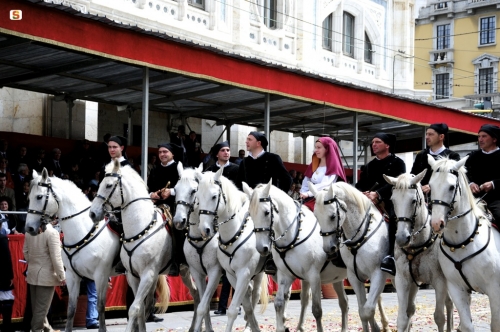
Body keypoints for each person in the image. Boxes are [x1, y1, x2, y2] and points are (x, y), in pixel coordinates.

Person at [235, 132, 293, 275]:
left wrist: (276, 199)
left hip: (268, 205)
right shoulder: (244, 162)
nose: (246, 141)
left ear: (258, 143)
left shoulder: (272, 158)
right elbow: (239, 185)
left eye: (249, 139)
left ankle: (272, 259)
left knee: (270, 227)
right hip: (250, 205)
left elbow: (287, 179)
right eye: (247, 139)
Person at [355, 132, 406, 276]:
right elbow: (361, 184)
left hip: (390, 200)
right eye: (372, 142)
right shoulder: (370, 165)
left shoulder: (398, 162)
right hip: (368, 200)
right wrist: (360, 193)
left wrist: (378, 194)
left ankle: (390, 255)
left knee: (395, 218)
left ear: (387, 145)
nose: (374, 145)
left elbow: (396, 183)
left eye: (377, 142)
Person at [205, 141, 241, 316]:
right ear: (217, 153)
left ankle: (230, 304)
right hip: (213, 216)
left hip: (232, 217)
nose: (227, 152)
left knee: (231, 266)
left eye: (228, 150)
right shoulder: (209, 170)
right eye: (223, 150)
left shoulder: (236, 168)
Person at [148, 142, 184, 279]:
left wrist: (172, 191)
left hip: (175, 206)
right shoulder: (155, 170)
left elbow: (187, 187)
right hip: (156, 206)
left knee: (176, 226)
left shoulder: (179, 168)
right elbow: (149, 188)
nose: (162, 154)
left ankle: (177, 262)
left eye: (165, 152)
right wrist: (152, 195)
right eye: (160, 152)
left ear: (172, 154)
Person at [23, 222, 65, 332]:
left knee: (38, 308)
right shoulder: (52, 233)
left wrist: (34, 264)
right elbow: (56, 258)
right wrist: (62, 276)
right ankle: (37, 329)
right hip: (46, 275)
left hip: (32, 273)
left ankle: (48, 329)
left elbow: (25, 252)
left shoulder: (29, 232)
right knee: (41, 309)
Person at [465, 124, 500, 229]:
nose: (480, 139)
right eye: (479, 136)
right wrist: (470, 183)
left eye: (484, 136)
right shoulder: (473, 156)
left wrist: (493, 184)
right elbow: (464, 173)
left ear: (494, 139)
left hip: (497, 199)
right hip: (474, 199)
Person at [411, 123, 460, 197]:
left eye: (431, 134)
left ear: (441, 137)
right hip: (421, 199)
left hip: (442, 199)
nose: (427, 137)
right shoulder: (421, 155)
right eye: (427, 134)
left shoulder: (452, 156)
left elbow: (454, 180)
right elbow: (413, 176)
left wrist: (431, 186)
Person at [299, 137, 347, 211]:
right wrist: (303, 192)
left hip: (323, 200)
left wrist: (308, 193)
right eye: (315, 147)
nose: (316, 150)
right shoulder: (314, 164)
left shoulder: (333, 166)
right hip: (308, 197)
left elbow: (326, 184)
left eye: (319, 147)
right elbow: (306, 180)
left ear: (327, 149)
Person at [0, 233, 14, 332]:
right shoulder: (2, 238)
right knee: (7, 301)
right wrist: (10, 276)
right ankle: (7, 328)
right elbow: (6, 258)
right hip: (2, 275)